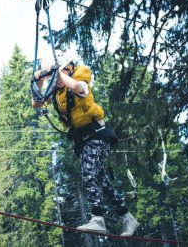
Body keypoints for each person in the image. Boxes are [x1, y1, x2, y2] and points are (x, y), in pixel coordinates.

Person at [31, 52, 140, 236]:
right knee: (102, 183)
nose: (55, 80)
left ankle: (97, 219)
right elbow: (37, 103)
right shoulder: (57, 92)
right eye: (52, 78)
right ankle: (127, 218)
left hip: (97, 135)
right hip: (82, 142)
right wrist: (40, 79)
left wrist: (58, 72)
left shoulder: (81, 76)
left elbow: (74, 86)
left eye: (57, 75)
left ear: (69, 68)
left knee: (89, 174)